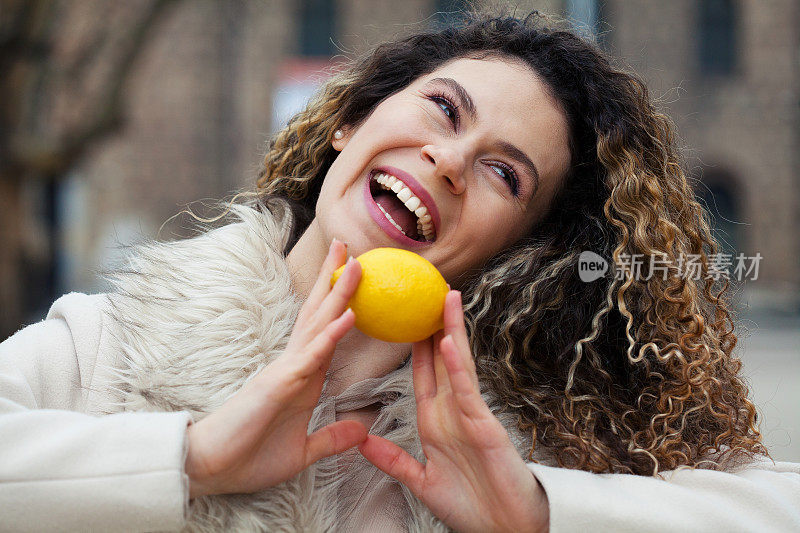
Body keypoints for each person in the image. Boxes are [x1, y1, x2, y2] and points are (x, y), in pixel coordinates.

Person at [1, 9, 799, 533]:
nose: (450, 160)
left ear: (511, 251)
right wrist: (193, 457)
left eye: (505, 175)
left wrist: (537, 506)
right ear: (349, 121)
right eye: (445, 109)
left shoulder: (524, 440)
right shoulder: (104, 345)